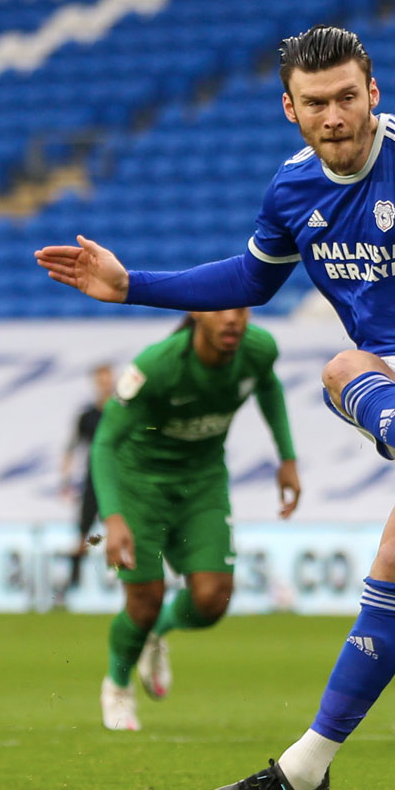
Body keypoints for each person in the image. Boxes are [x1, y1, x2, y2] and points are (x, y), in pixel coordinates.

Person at [36, 25, 395, 790]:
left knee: (347, 389)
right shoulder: (290, 191)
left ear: (373, 94)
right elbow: (252, 276)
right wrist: (130, 284)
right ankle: (303, 775)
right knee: (389, 542)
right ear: (291, 108)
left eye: (349, 97)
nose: (336, 116)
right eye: (316, 103)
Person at [92, 310, 300, 731]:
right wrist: (113, 518)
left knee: (212, 601)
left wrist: (287, 457)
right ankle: (116, 686)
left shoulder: (259, 349)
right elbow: (104, 443)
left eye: (241, 309)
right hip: (141, 487)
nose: (233, 320)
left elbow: (268, 386)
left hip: (202, 485)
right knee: (143, 602)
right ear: (196, 316)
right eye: (221, 311)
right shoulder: (157, 366)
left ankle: (157, 634)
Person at [60, 362, 115, 605]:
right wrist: (65, 479)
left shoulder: (122, 412)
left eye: (108, 378)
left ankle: (125, 582)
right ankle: (72, 585)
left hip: (118, 482)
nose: (105, 383)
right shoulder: (87, 416)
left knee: (120, 532)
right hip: (93, 481)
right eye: (101, 379)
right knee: (83, 535)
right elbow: (72, 447)